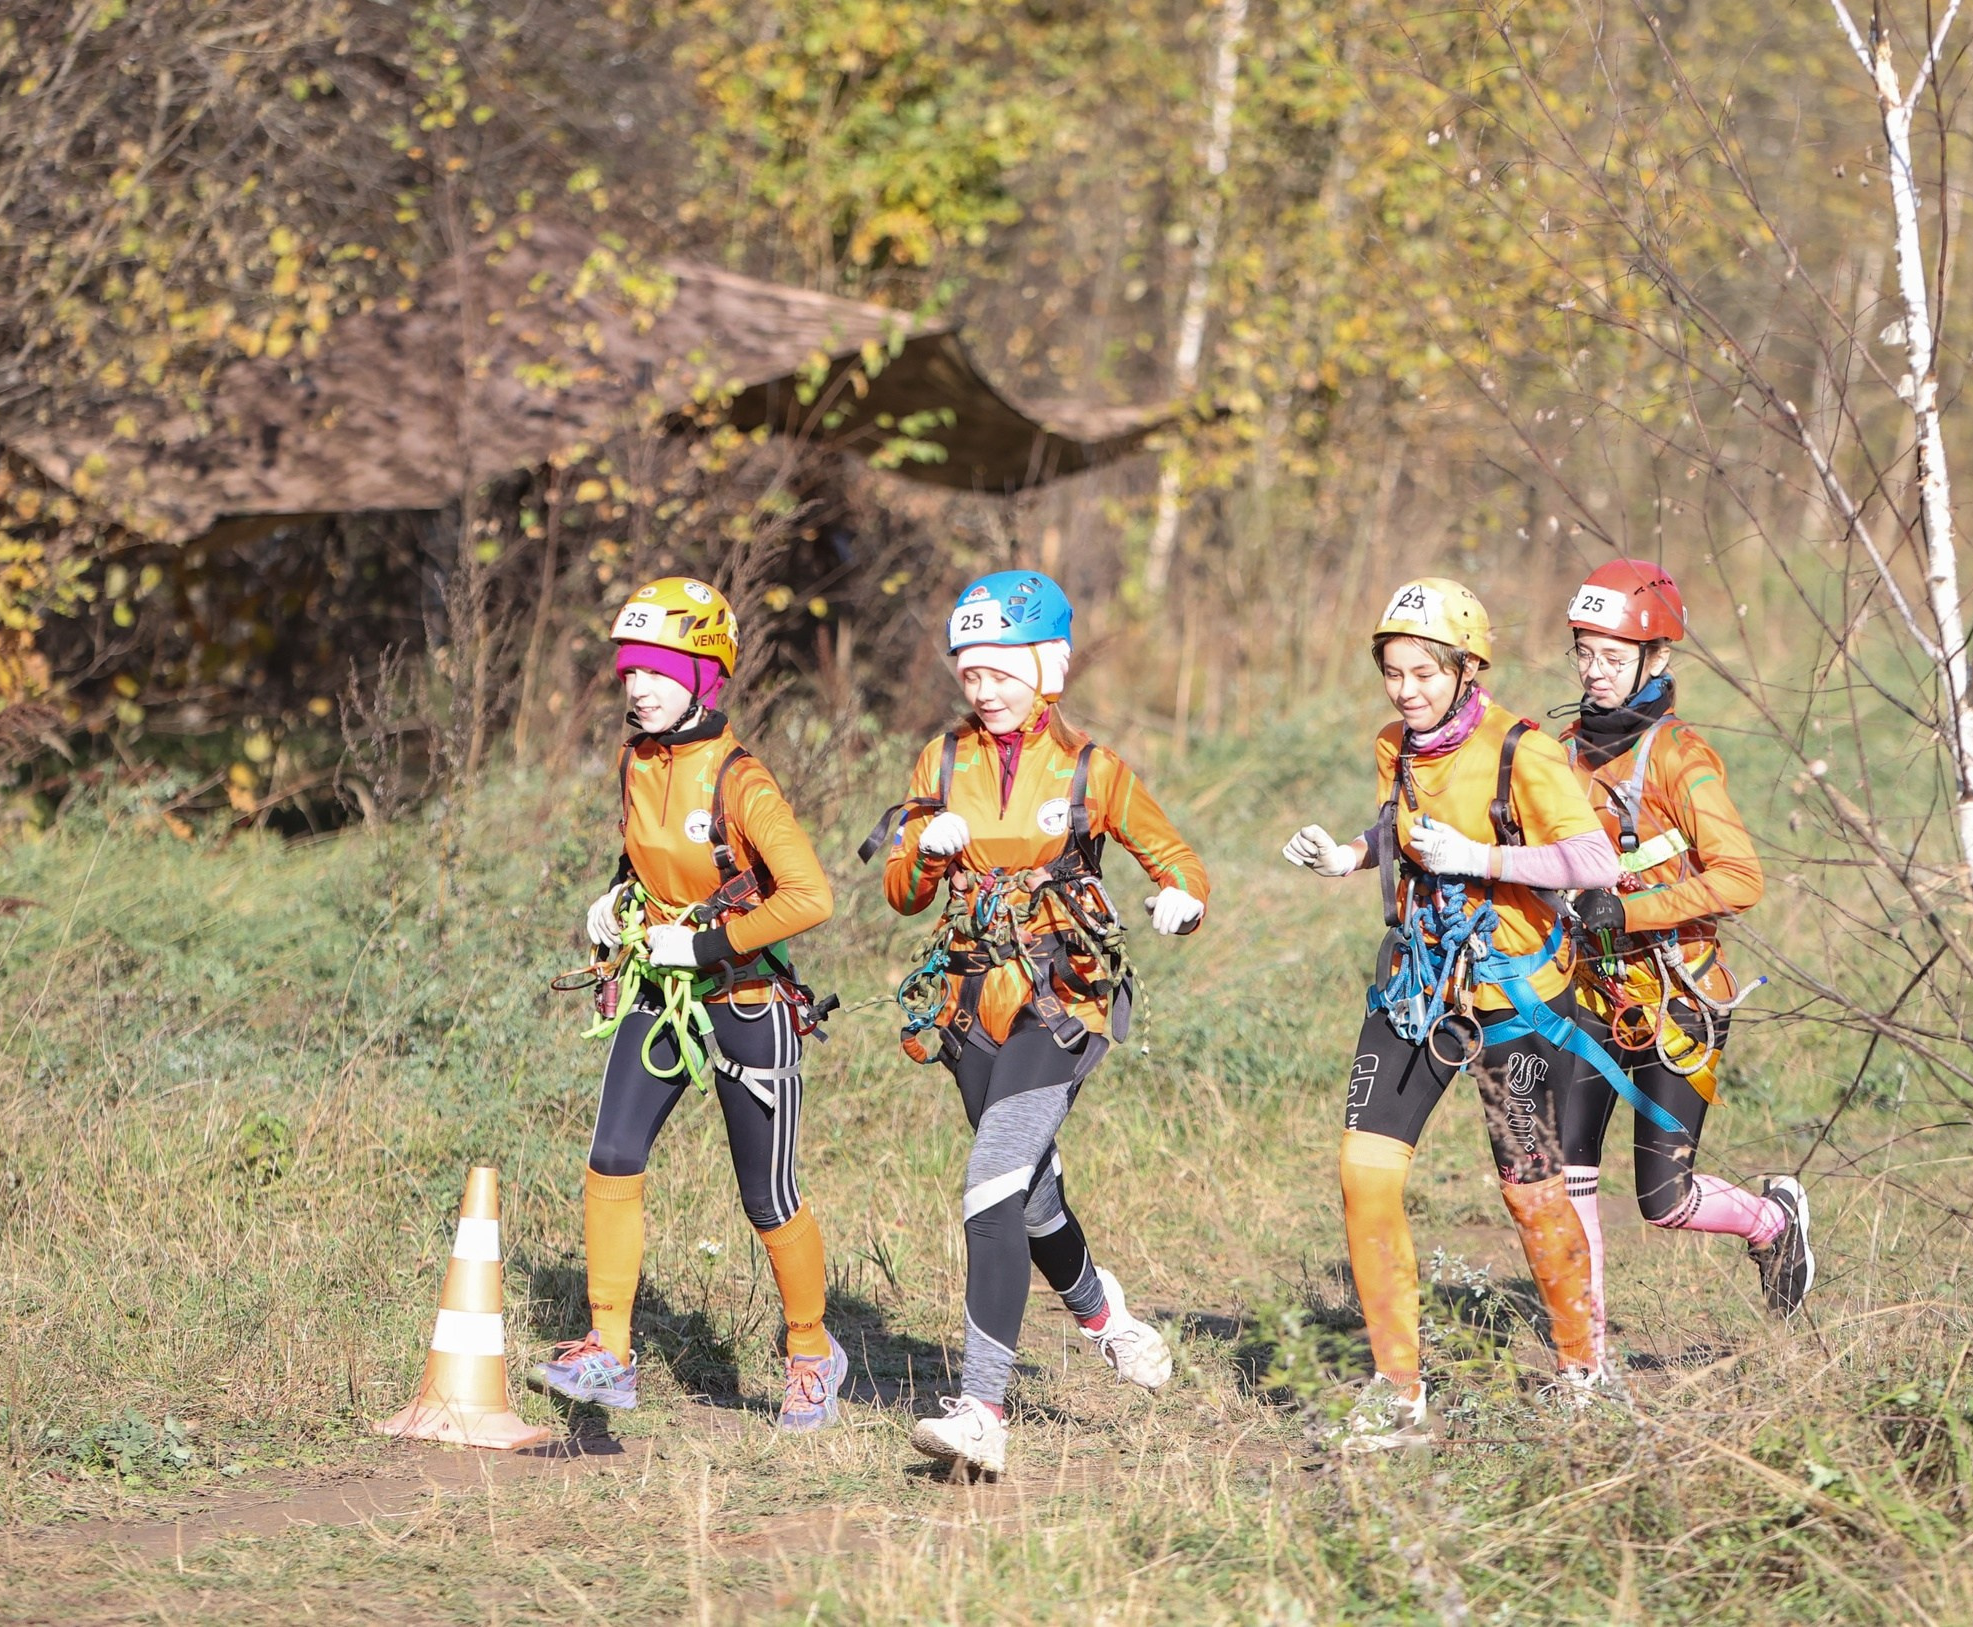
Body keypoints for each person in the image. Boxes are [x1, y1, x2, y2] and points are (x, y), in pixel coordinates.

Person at [866, 570, 1209, 1478]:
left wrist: (1180, 900)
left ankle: (982, 1408)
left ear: (1046, 667)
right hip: (968, 1008)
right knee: (1030, 1194)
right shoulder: (939, 764)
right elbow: (900, 895)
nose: (984, 690)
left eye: (1001, 671)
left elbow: (1176, 858)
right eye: (970, 674)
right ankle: (1109, 1318)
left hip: (1066, 1005)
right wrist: (926, 851)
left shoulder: (1095, 769)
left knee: (989, 1185)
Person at [1282, 578, 1624, 1449]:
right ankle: (1398, 1392)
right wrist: (1350, 854)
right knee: (1364, 1172)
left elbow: (1593, 860)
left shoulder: (1524, 750)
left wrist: (1480, 854)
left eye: (1425, 673)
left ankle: (1585, 1369)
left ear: (1469, 670)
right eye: (1394, 673)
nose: (1407, 690)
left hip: (1510, 996)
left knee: (1529, 1187)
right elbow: (1400, 824)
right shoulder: (1394, 745)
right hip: (1415, 987)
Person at [538, 576, 848, 1431]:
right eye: (629, 669)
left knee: (767, 1195)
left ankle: (813, 1352)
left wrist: (707, 943)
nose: (637, 685)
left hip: (747, 997)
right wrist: (615, 904)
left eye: (659, 669)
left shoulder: (741, 779)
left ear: (708, 674)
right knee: (611, 1154)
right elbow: (646, 860)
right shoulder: (638, 760)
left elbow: (810, 897)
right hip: (659, 992)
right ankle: (609, 1352)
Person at [1554, 560, 1812, 1348]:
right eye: (1583, 652)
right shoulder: (1560, 751)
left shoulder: (1682, 757)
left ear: (1656, 659)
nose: (1594, 672)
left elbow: (1742, 878)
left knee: (1662, 1199)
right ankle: (1586, 1368)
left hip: (1679, 1004)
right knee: (1568, 1185)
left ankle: (1774, 1220)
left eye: (1612, 655)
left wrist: (1625, 909)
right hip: (1585, 999)